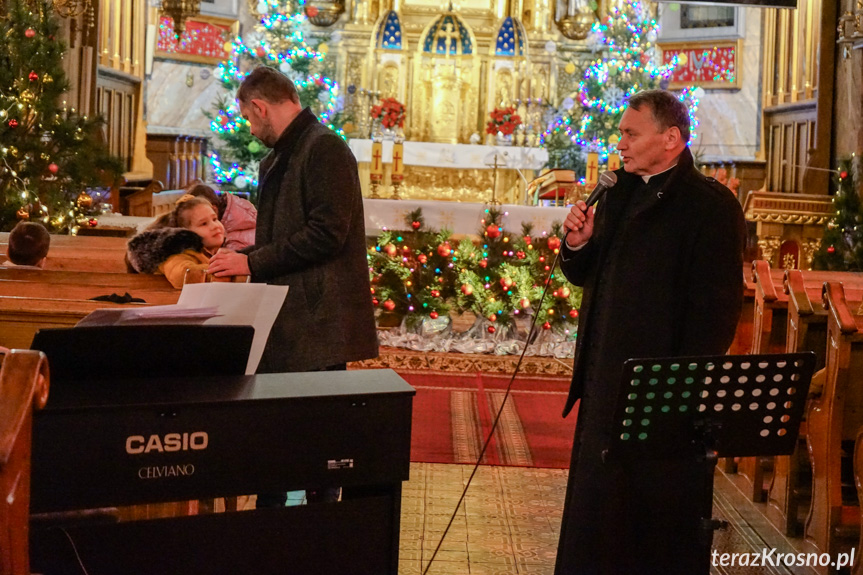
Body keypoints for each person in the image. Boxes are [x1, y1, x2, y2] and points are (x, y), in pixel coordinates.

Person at [555, 89, 746, 575]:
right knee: (595, 523)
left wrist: (678, 390)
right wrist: (577, 245)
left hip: (662, 398)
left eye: (630, 133)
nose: (620, 142)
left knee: (651, 530)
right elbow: (586, 276)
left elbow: (716, 312)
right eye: (621, 133)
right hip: (604, 382)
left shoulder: (710, 205)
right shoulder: (617, 191)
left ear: (671, 139)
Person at [207, 66, 378, 505]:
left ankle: (318, 537)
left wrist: (250, 262)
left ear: (261, 106)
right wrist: (249, 260)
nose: (250, 127)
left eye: (248, 117)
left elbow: (327, 233)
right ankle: (274, 529)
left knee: (318, 443)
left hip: (317, 320)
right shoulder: (290, 150)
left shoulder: (324, 149)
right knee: (281, 435)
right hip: (292, 316)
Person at [127, 195, 232, 288]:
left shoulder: (211, 251)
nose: (214, 226)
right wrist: (223, 270)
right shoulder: (175, 254)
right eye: (204, 224)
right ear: (186, 232)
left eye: (214, 219)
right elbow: (182, 275)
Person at [186, 182, 258, 251]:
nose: (213, 227)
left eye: (204, 223)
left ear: (214, 210)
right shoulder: (240, 216)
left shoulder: (233, 243)